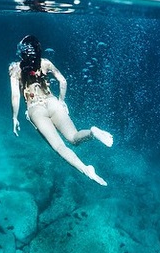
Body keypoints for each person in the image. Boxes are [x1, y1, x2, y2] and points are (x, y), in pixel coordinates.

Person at [9, 35, 113, 186]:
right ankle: (92, 133)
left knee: (59, 146)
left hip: (35, 109)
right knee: (73, 137)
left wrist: (14, 118)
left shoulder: (15, 69)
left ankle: (85, 169)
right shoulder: (46, 63)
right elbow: (63, 81)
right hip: (53, 102)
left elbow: (15, 96)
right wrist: (62, 101)